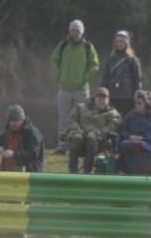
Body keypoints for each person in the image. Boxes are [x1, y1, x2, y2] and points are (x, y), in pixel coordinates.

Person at [51, 19, 101, 154]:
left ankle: (80, 146)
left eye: (77, 31)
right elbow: (54, 61)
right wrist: (59, 77)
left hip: (81, 89)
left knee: (82, 118)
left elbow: (94, 65)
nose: (75, 33)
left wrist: (84, 79)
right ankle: (62, 145)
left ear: (82, 32)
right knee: (64, 118)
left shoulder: (88, 47)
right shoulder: (62, 46)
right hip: (64, 88)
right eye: (73, 30)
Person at [66, 87, 121, 174]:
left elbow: (113, 126)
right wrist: (77, 129)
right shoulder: (80, 107)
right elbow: (71, 121)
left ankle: (87, 172)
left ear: (108, 99)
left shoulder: (113, 113)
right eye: (99, 97)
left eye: (104, 98)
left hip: (98, 140)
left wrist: (99, 132)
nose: (101, 100)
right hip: (80, 134)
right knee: (77, 138)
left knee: (92, 138)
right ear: (94, 98)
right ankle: (72, 171)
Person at [118, 90, 151, 175]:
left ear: (146, 104)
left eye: (139, 103)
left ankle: (147, 171)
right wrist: (130, 137)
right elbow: (121, 131)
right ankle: (129, 171)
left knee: (140, 145)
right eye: (135, 103)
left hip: (149, 143)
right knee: (124, 144)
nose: (136, 105)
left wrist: (143, 138)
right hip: (131, 140)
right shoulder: (130, 115)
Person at [101, 30, 142, 117]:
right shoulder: (110, 59)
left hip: (127, 97)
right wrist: (103, 93)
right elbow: (105, 77)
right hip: (112, 95)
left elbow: (137, 80)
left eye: (122, 41)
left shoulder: (133, 60)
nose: (119, 44)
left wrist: (137, 96)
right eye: (117, 41)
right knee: (113, 119)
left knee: (126, 120)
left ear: (127, 43)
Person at [0, 104, 44, 172]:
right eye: (11, 121)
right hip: (8, 172)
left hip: (28, 175)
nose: (13, 124)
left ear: (22, 119)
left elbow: (33, 154)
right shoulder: (10, 130)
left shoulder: (32, 133)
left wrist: (14, 154)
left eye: (16, 121)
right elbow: (3, 140)